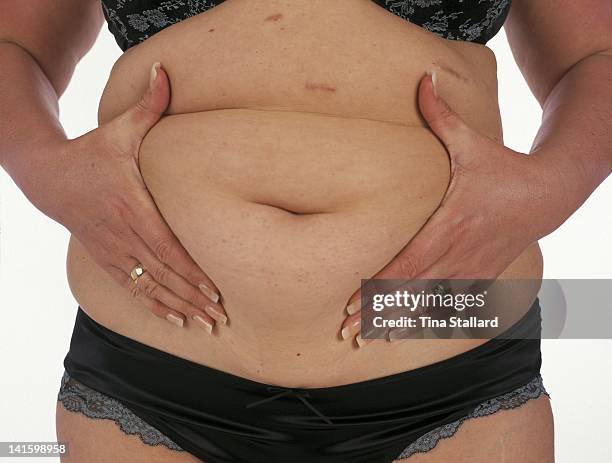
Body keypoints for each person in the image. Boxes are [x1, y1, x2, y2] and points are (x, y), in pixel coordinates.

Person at [1, 0, 609, 461]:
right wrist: (43, 169)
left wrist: (551, 185)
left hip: (453, 358)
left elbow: (595, 56)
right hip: (149, 371)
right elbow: (14, 43)